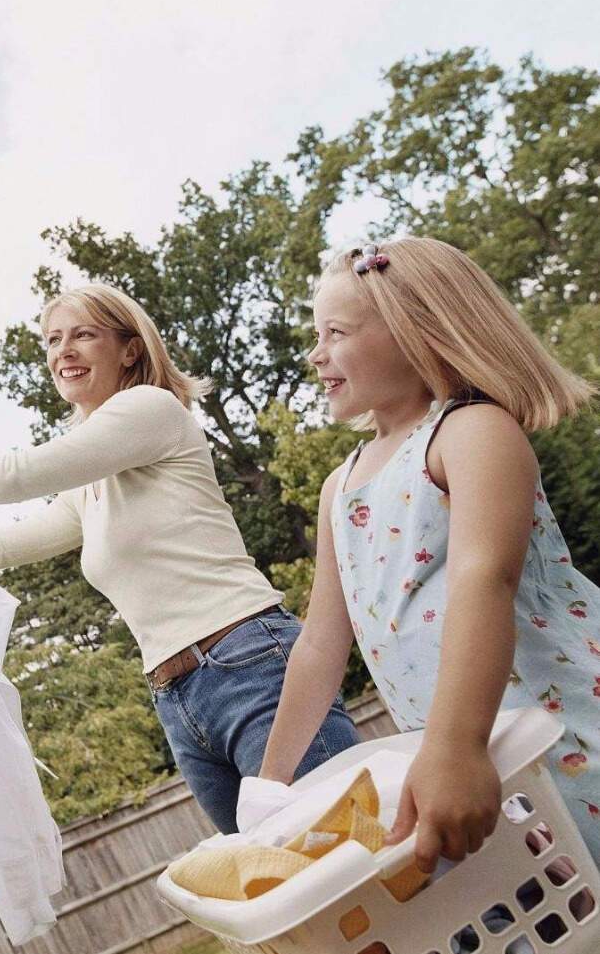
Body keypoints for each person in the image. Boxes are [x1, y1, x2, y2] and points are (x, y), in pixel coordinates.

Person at [0, 283, 358, 834]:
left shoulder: (150, 410)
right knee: (274, 878)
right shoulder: (90, 485)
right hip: (177, 699)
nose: (64, 350)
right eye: (53, 339)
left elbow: (15, 476)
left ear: (130, 350)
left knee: (345, 848)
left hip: (251, 664)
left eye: (84, 334)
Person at [257, 238, 600, 873]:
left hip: (562, 725)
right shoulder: (340, 488)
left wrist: (454, 747)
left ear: (418, 332)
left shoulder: (471, 432)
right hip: (478, 753)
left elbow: (484, 579)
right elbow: (320, 645)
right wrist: (268, 790)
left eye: (335, 332)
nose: (315, 354)